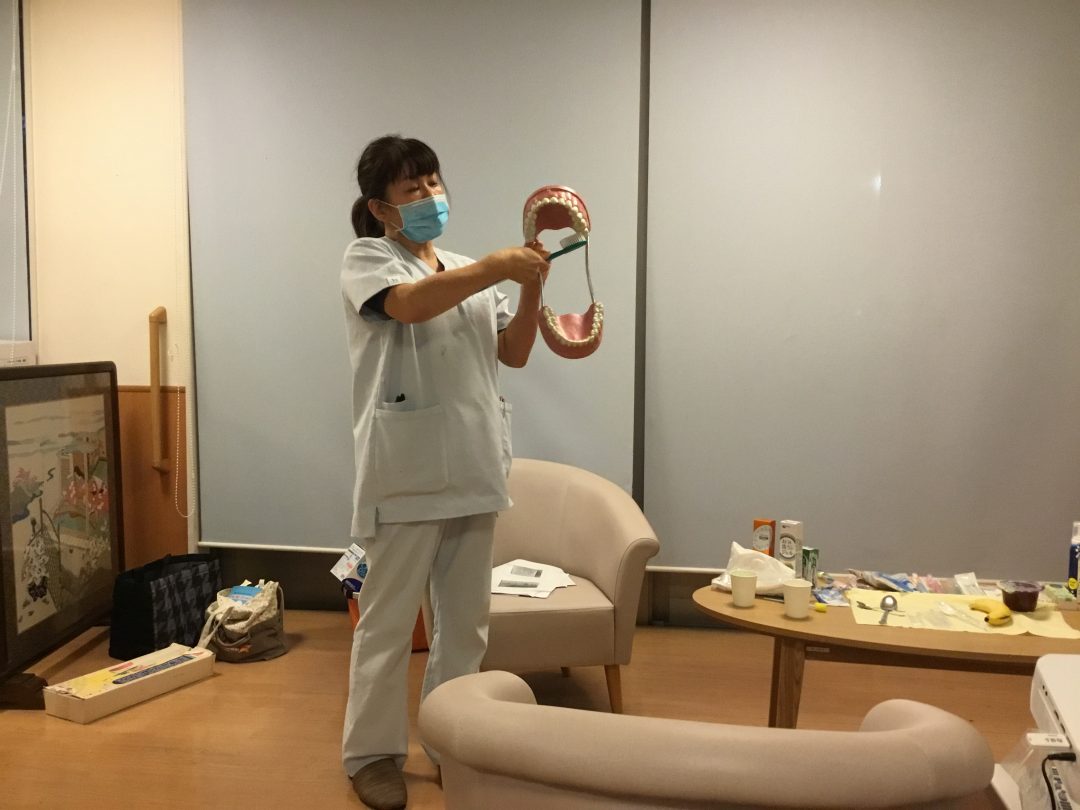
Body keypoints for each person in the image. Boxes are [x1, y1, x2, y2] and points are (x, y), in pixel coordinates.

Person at [339, 134, 550, 810]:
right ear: (382, 208)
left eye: (433, 183)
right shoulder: (368, 259)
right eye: (413, 189)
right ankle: (372, 756)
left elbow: (514, 352)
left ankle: (450, 739)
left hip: (474, 467)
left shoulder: (463, 269)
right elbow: (408, 305)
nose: (431, 196)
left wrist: (530, 291)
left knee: (465, 626)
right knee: (387, 626)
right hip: (405, 477)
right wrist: (496, 268)